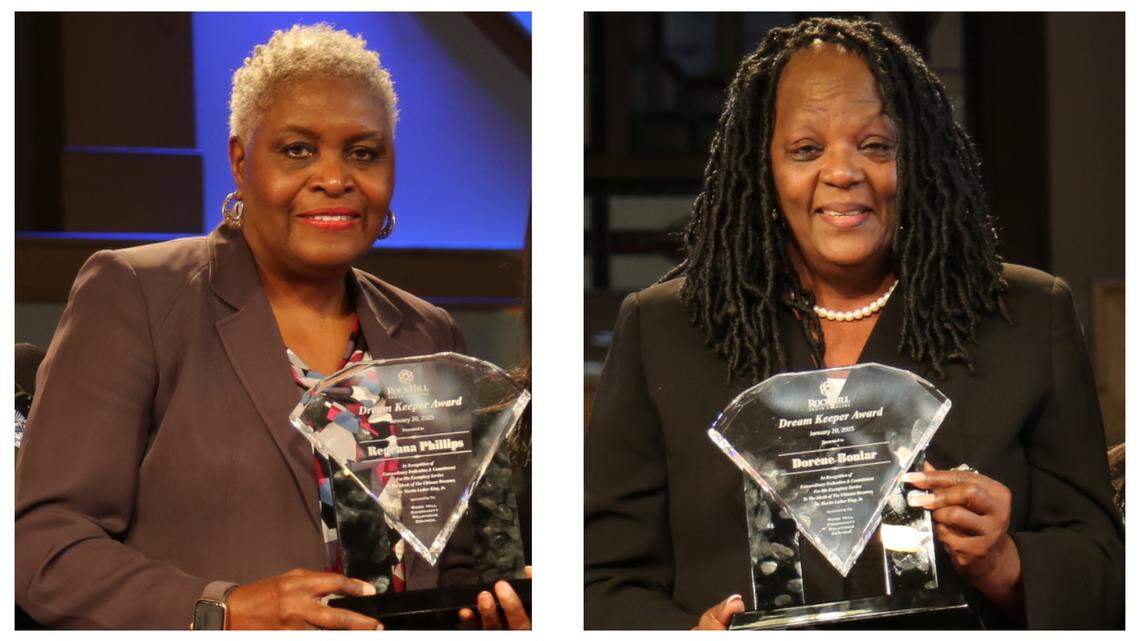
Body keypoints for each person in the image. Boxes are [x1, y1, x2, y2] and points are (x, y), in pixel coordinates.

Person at [584, 17, 1122, 630]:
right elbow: (599, 581)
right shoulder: (665, 330)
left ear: (919, 158)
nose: (843, 173)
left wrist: (1007, 564)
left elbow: (1105, 573)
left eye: (876, 146)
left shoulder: (1025, 316)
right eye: (806, 150)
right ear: (762, 167)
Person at [16, 23, 528, 630]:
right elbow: (44, 547)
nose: (335, 179)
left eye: (363, 153)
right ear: (240, 160)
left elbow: (450, 563)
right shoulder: (137, 294)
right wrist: (226, 608)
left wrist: (491, 607)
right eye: (298, 150)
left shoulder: (428, 331)